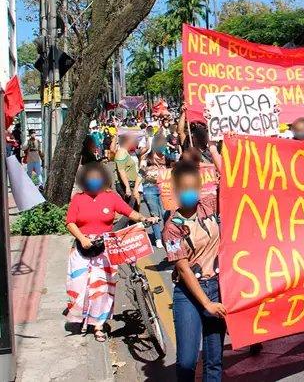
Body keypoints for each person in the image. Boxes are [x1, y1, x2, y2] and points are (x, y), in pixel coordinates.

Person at [65, 163, 158, 342]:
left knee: (103, 287)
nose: (94, 181)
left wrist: (145, 218)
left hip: (105, 247)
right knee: (80, 286)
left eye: (97, 178)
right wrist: (83, 239)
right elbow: (70, 222)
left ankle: (98, 325)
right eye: (90, 178)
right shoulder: (78, 199)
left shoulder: (111, 197)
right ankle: (82, 317)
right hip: (82, 248)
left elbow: (130, 212)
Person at [162, 162, 226, 382]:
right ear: (176, 191)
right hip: (188, 294)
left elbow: (234, 185)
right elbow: (182, 267)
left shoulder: (209, 206)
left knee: (214, 360)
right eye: (184, 188)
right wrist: (207, 304)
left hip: (216, 287)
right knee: (187, 362)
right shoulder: (171, 227)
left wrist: (216, 152)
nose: (189, 193)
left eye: (193, 187)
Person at [140, 136, 171, 248]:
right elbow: (141, 172)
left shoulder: (168, 158)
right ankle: (158, 238)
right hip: (149, 188)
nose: (163, 146)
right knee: (154, 214)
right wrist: (149, 173)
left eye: (165, 144)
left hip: (165, 188)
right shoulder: (146, 158)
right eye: (162, 144)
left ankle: (167, 235)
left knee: (166, 214)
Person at [114, 134, 141, 210]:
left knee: (135, 208)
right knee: (131, 210)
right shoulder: (121, 153)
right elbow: (121, 171)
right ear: (127, 142)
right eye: (132, 140)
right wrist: (127, 188)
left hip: (131, 184)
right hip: (125, 185)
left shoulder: (126, 152)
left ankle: (133, 222)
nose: (135, 142)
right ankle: (125, 222)